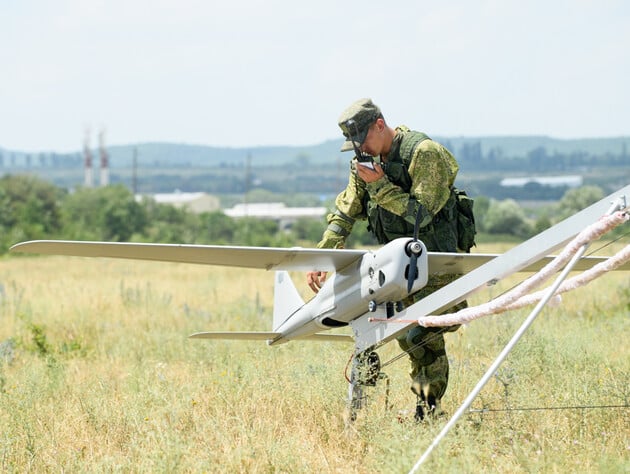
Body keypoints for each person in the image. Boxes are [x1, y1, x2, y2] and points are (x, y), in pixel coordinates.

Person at [306, 98, 472, 421]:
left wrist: (379, 185)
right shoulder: (363, 164)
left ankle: (428, 412)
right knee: (372, 330)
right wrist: (324, 254)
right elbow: (344, 212)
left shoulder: (424, 154)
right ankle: (366, 412)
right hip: (399, 273)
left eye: (363, 141)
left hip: (439, 269)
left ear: (380, 125)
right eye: (354, 146)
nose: (360, 151)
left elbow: (420, 216)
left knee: (420, 336)